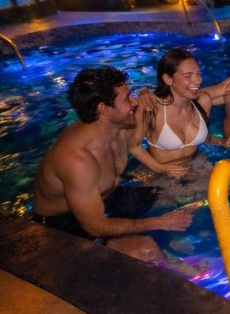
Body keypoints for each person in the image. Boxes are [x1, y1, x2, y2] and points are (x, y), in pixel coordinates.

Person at [31, 66, 193, 260]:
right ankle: (171, 261)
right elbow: (95, 227)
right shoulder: (78, 161)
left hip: (107, 199)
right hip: (64, 224)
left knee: (188, 193)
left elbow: (171, 101)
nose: (134, 102)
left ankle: (164, 241)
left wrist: (145, 93)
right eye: (127, 98)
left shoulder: (119, 126)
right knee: (146, 251)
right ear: (104, 108)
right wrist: (159, 222)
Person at [135, 48, 230, 166]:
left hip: (196, 163)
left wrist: (223, 141)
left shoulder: (203, 101)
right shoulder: (151, 107)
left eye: (198, 74)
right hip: (160, 171)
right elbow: (134, 146)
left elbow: (205, 138)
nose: (198, 81)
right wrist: (160, 168)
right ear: (168, 79)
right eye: (188, 76)